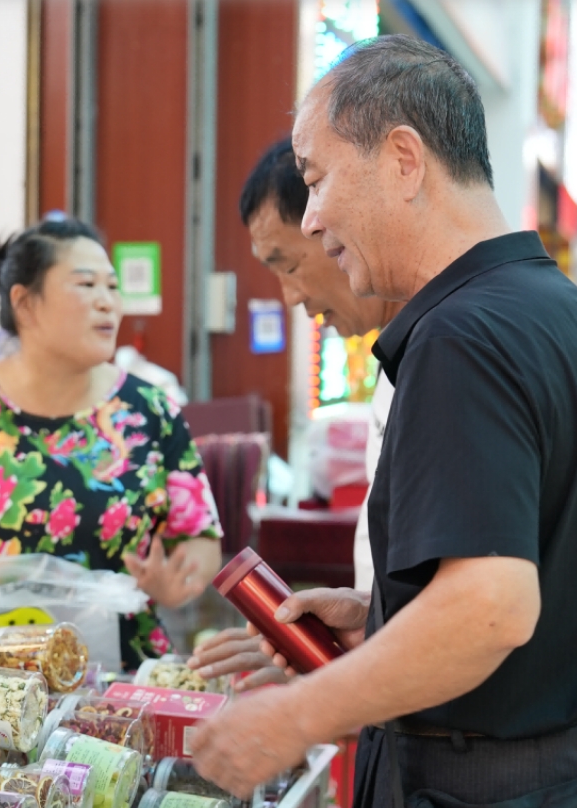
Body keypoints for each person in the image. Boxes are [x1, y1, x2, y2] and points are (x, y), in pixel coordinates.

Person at [190, 35, 577, 806]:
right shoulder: (565, 311)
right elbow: (545, 575)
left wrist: (294, 717)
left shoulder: (459, 335)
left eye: (317, 178)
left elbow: (490, 610)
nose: (313, 222)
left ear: (404, 160)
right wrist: (388, 614)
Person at [0, 216, 224, 669]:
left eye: (112, 287)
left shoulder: (150, 411)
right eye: (86, 284)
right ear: (25, 304)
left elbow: (200, 537)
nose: (107, 303)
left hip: (121, 676)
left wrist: (180, 580)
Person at [188, 137, 403, 690]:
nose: (288, 297)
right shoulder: (397, 358)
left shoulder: (456, 351)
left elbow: (479, 609)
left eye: (287, 264)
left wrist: (309, 708)